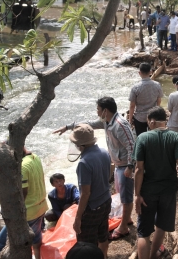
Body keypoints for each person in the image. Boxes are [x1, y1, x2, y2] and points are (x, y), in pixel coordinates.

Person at [54, 97, 136, 241]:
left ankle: (123, 227)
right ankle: (126, 218)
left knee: (127, 197)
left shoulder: (119, 124)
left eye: (98, 109)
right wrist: (68, 127)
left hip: (124, 166)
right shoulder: (106, 121)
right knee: (121, 194)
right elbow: (88, 124)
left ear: (105, 111)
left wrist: (130, 167)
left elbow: (132, 146)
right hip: (118, 164)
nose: (97, 112)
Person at [133, 107, 178, 259]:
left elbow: (139, 169)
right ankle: (154, 255)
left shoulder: (142, 138)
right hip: (168, 190)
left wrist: (137, 195)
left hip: (147, 191)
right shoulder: (176, 137)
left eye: (148, 122)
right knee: (161, 226)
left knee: (143, 232)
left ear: (152, 121)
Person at [0, 146, 48, 259]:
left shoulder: (22, 166)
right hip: (41, 206)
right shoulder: (35, 157)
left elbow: (22, 194)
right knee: (36, 236)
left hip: (29, 212)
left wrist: (12, 214)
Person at [70, 124, 111, 256]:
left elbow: (85, 193)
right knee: (103, 235)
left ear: (80, 145)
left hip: (92, 207)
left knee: (86, 244)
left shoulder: (84, 163)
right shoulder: (104, 152)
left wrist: (78, 217)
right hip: (106, 201)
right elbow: (109, 173)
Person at [128, 63, 163, 136]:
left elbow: (132, 105)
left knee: (141, 137)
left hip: (139, 118)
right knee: (153, 136)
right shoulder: (157, 85)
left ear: (139, 73)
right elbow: (159, 100)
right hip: (153, 117)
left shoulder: (135, 87)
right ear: (150, 72)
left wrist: (130, 119)